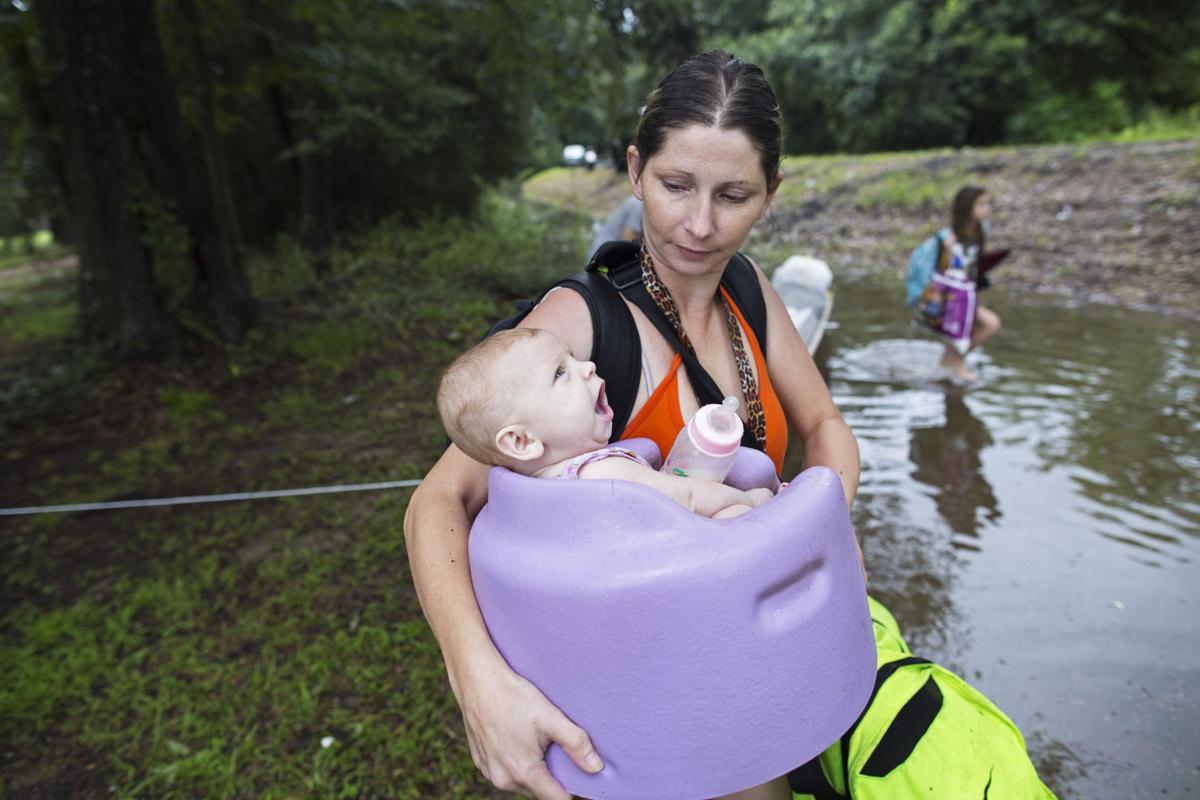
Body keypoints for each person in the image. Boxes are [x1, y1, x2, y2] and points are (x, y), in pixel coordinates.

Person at [404, 49, 861, 800]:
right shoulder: (580, 327)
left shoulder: (752, 291)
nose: (700, 224)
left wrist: (822, 526)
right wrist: (477, 680)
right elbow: (435, 504)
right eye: (675, 185)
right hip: (639, 703)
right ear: (634, 171)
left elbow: (826, 423)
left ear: (771, 195)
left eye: (734, 194)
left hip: (752, 674)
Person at [435, 327, 774, 519]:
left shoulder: (523, 491)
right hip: (670, 569)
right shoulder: (602, 473)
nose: (588, 367)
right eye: (559, 373)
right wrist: (753, 502)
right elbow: (686, 499)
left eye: (573, 357)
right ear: (521, 442)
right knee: (732, 517)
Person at [934, 186, 1004, 382]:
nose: (987, 209)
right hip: (952, 295)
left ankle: (950, 363)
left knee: (964, 328)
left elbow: (974, 263)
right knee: (990, 324)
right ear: (967, 207)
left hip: (968, 292)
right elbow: (943, 269)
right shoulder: (950, 236)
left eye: (988, 204)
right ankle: (955, 364)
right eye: (981, 204)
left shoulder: (979, 231)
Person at [586, 194, 644, 259]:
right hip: (604, 255)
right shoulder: (639, 204)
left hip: (606, 251)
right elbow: (628, 243)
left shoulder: (638, 201)